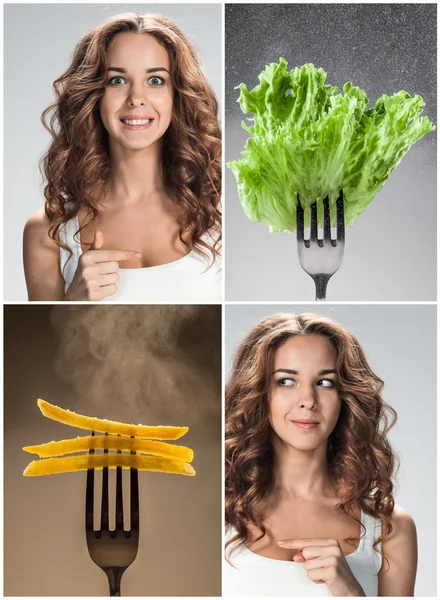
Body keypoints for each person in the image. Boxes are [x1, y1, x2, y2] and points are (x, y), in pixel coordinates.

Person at [23, 13, 221, 302]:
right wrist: (73, 304)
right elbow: (43, 347)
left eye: (155, 80)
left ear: (176, 95)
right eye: (117, 80)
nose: (136, 98)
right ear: (93, 95)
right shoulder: (48, 231)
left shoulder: (217, 216)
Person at [224, 313, 417, 596]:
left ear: (346, 397)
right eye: (286, 381)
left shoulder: (390, 528)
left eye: (325, 383)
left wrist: (351, 591)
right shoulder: (219, 511)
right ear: (259, 393)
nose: (308, 401)